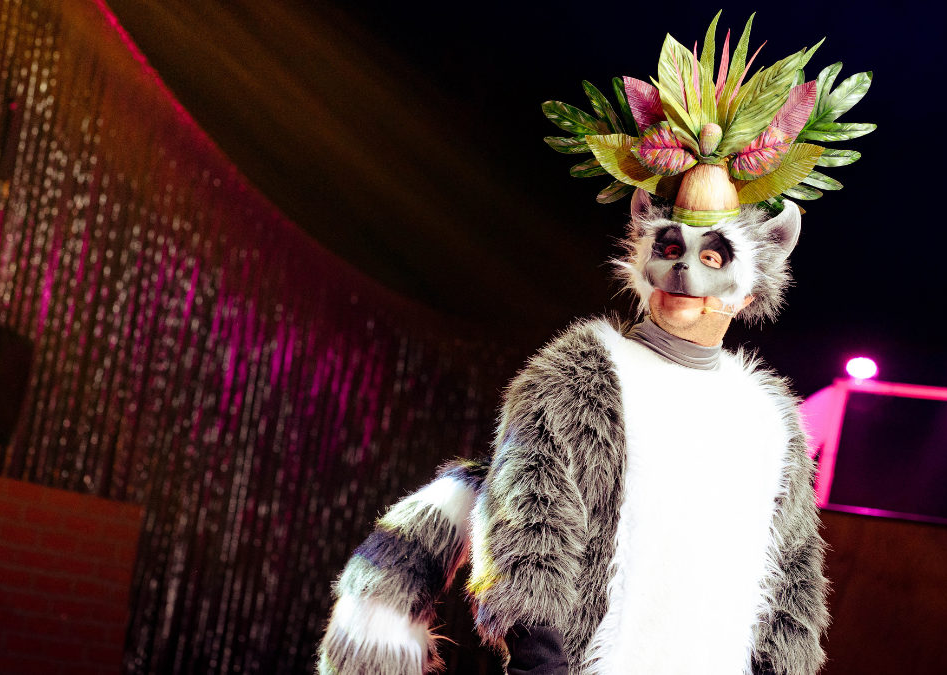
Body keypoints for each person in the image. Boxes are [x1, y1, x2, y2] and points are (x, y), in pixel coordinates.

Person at [319, 11, 873, 675]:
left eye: (712, 254)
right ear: (641, 250)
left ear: (754, 281)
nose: (683, 271)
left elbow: (793, 579)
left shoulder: (769, 418)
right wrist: (540, 659)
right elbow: (532, 524)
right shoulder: (584, 375)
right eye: (669, 246)